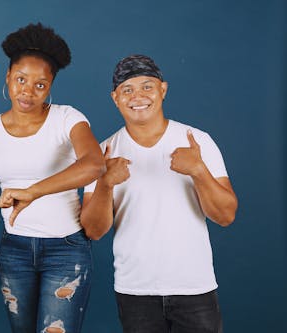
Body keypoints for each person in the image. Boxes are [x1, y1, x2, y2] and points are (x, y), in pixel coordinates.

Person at [81, 54, 238, 333]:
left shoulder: (197, 142)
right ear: (115, 98)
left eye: (147, 86)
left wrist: (199, 171)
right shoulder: (103, 153)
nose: (137, 96)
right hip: (135, 292)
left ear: (163, 90)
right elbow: (93, 231)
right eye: (127, 90)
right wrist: (105, 183)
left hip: (194, 288)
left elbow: (225, 216)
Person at [0, 23, 105, 333]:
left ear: (51, 86)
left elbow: (94, 164)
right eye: (20, 79)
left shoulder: (67, 118)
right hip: (13, 252)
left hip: (66, 250)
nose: (27, 91)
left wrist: (33, 191)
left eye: (40, 84)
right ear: (7, 77)